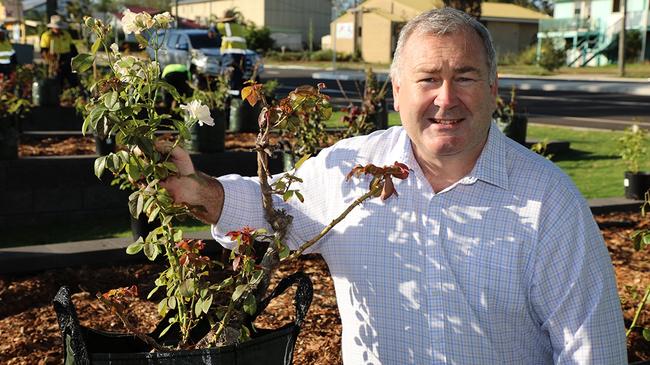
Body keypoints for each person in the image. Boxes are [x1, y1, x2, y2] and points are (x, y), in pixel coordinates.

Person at [159, 8, 627, 364]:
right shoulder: (348, 170)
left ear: (492, 87)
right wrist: (201, 191)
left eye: (465, 77)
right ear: (397, 90)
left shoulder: (548, 201)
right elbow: (272, 207)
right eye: (428, 80)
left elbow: (592, 346)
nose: (446, 99)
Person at [40, 15, 78, 88]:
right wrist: (52, 62)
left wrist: (77, 61)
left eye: (58, 27)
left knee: (73, 81)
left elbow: (73, 49)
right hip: (54, 61)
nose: (57, 29)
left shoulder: (66, 35)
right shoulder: (46, 36)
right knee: (56, 83)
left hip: (67, 60)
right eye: (55, 27)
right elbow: (44, 51)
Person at [215, 9, 247, 93]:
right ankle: (236, 93)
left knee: (228, 75)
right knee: (238, 74)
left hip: (230, 55)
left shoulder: (225, 26)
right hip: (242, 54)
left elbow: (214, 28)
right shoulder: (239, 27)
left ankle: (229, 93)